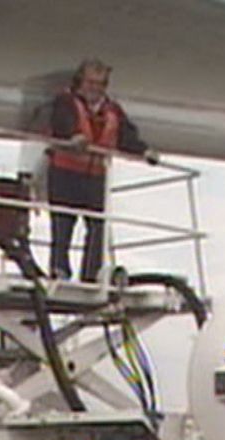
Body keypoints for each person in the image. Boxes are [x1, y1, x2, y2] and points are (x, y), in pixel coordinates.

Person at [46, 58, 159, 282]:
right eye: (91, 82)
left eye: (100, 84)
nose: (95, 88)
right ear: (80, 82)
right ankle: (60, 270)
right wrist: (72, 136)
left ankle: (91, 274)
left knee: (98, 226)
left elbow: (126, 136)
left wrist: (145, 151)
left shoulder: (113, 110)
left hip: (95, 176)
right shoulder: (65, 101)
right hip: (65, 173)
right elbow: (61, 123)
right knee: (62, 224)